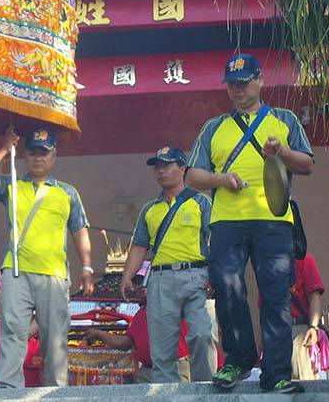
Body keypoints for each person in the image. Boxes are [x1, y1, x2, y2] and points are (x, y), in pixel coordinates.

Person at [186, 53, 314, 394]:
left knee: (275, 294)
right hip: (227, 221)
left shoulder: (284, 119)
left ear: (260, 81)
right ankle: (238, 360)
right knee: (227, 286)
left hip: (274, 220)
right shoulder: (214, 127)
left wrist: (281, 152)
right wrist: (221, 179)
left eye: (244, 83)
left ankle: (276, 373)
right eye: (232, 84)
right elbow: (192, 176)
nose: (238, 90)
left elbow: (306, 164)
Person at [0, 127, 95, 387]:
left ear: (54, 156)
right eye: (32, 153)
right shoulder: (12, 185)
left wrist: (87, 267)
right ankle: (9, 390)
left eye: (43, 153)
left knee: (54, 339)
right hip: (16, 270)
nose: (38, 158)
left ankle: (55, 391)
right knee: (13, 332)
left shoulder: (67, 193)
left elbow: (79, 230)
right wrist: (5, 149)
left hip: (54, 274)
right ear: (25, 156)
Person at [120, 147, 217, 384]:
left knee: (202, 334)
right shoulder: (149, 209)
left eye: (167, 165)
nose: (161, 171)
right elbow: (139, 246)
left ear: (183, 169)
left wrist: (215, 273)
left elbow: (215, 240)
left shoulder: (201, 202)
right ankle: (166, 393)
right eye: (157, 167)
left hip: (196, 275)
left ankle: (205, 390)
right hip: (160, 279)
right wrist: (127, 276)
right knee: (162, 349)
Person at [289, 254, 325, 380]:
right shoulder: (268, 264)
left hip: (298, 331)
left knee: (302, 380)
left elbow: (314, 296)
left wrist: (313, 327)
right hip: (274, 332)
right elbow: (264, 307)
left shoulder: (303, 260)